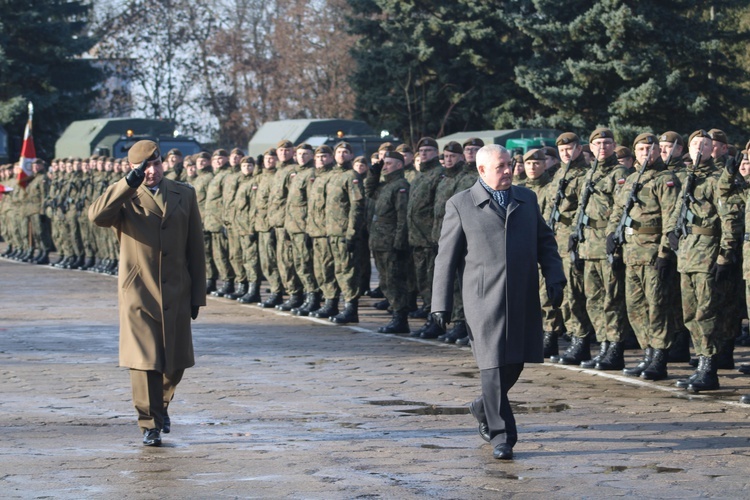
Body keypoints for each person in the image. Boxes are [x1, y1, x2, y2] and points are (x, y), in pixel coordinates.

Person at [431, 144, 565, 460]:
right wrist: (441, 302)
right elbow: (445, 258)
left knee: (516, 361)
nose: (508, 170)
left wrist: (555, 276)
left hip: (522, 293)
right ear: (482, 171)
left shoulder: (527, 199)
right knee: (492, 365)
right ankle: (502, 435)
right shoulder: (461, 204)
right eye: (500, 166)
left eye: (509, 164)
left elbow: (544, 241)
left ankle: (482, 405)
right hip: (482, 297)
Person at [88, 140, 206, 446]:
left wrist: (197, 295)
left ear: (163, 163)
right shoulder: (125, 196)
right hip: (139, 290)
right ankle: (149, 423)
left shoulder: (185, 193)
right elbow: (96, 216)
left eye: (155, 164)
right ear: (132, 168)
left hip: (177, 288)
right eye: (143, 167)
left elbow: (196, 247)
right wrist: (127, 183)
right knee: (144, 361)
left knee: (175, 363)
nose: (150, 172)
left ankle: (161, 406)